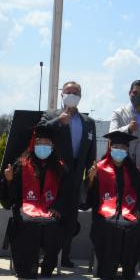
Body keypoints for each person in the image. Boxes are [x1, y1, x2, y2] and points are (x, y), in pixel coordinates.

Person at [0, 122, 72, 279]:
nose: (43, 146)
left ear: (53, 146)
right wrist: (10, 180)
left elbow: (67, 194)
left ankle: (47, 266)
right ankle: (28, 266)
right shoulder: (21, 165)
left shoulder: (60, 167)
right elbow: (11, 199)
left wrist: (57, 207)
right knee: (27, 223)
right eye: (39, 142)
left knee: (53, 224)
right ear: (33, 143)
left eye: (47, 143)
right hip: (26, 209)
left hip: (49, 209)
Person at [41, 81, 97, 267]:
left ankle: (65, 255)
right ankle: (47, 253)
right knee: (51, 212)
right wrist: (58, 122)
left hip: (76, 173)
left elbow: (91, 150)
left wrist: (90, 172)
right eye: (68, 91)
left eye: (76, 92)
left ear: (81, 96)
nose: (72, 94)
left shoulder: (88, 123)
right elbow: (40, 131)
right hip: (54, 172)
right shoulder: (51, 115)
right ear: (61, 94)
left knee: (71, 217)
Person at [84, 129, 140, 280]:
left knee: (135, 226)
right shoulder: (99, 168)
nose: (119, 150)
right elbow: (89, 197)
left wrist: (138, 209)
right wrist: (91, 180)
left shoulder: (134, 171)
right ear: (110, 148)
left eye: (123, 147)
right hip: (105, 214)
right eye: (116, 146)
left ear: (127, 150)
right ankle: (108, 270)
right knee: (110, 225)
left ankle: (128, 270)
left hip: (128, 212)